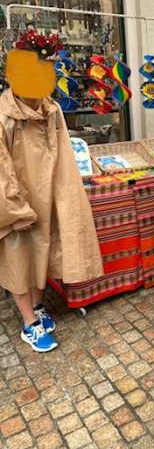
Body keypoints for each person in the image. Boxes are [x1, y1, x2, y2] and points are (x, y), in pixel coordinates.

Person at [0, 32, 103, 353]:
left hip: (48, 196)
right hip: (17, 200)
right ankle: (29, 321)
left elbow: (64, 156)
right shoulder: (4, 114)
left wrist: (68, 199)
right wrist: (14, 208)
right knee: (18, 259)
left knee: (42, 255)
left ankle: (37, 305)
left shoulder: (52, 109)